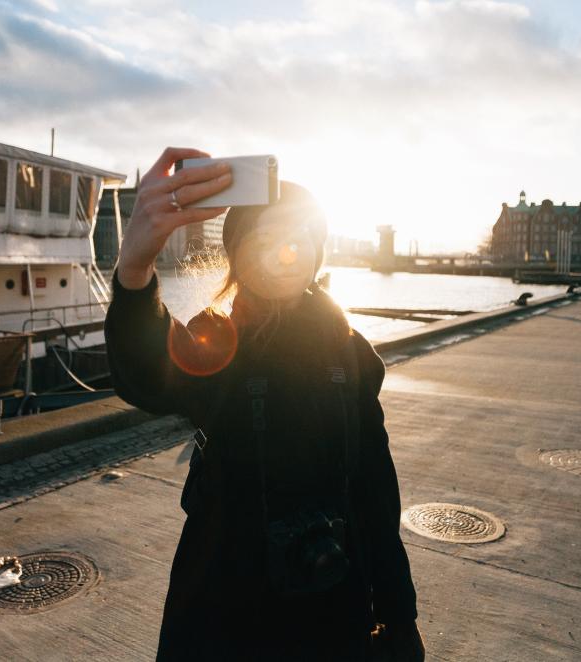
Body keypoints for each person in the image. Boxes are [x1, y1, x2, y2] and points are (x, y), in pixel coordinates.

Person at [105, 147, 423, 661]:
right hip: (224, 614)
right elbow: (146, 378)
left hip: (332, 602)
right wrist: (135, 269)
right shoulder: (216, 341)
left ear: (316, 252)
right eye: (264, 238)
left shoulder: (351, 354)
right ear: (237, 254)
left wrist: (398, 615)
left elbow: (376, 493)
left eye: (296, 239)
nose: (282, 253)